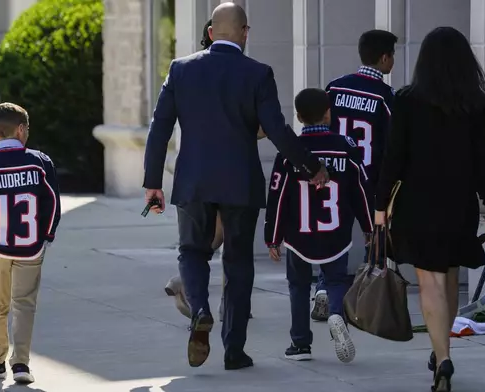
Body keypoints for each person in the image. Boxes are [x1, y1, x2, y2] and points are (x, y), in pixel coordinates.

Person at [143, 2, 329, 370]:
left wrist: (152, 182)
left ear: (211, 32)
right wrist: (311, 166)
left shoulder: (181, 70)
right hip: (241, 183)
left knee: (193, 252)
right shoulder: (258, 73)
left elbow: (159, 127)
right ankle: (234, 350)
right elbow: (276, 129)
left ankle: (199, 309)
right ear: (245, 33)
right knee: (239, 264)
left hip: (194, 180)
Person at [373, 27, 485, 392]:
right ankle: (440, 348)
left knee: (428, 281)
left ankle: (442, 357)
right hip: (458, 203)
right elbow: (484, 162)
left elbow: (393, 158)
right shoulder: (473, 105)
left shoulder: (407, 100)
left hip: (417, 203)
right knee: (449, 276)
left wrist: (380, 206)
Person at [163, 18, 261, 321]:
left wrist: (152, 180)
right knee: (223, 244)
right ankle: (197, 292)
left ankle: (193, 290)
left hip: (196, 173)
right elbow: (256, 128)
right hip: (231, 174)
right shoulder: (243, 74)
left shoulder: (188, 71)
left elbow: (161, 126)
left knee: (207, 243)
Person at [265, 88, 373, 363]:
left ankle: (300, 344)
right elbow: (361, 189)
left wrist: (273, 236)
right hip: (336, 232)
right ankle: (336, 313)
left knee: (298, 285)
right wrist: (369, 226)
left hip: (298, 235)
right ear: (329, 113)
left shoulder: (291, 153)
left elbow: (276, 196)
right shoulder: (346, 147)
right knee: (336, 279)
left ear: (299, 117)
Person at [0, 102, 61, 384]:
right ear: (20, 130)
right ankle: (21, 364)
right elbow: (51, 202)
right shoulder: (40, 163)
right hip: (31, 245)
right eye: (26, 128)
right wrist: (47, 235)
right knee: (25, 303)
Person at [311, 29, 398, 322]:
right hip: (369, 181)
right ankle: (362, 297)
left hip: (334, 175)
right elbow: (391, 147)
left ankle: (323, 289)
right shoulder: (387, 97)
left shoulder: (334, 89)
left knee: (335, 236)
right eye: (392, 57)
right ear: (384, 58)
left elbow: (320, 128)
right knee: (372, 237)